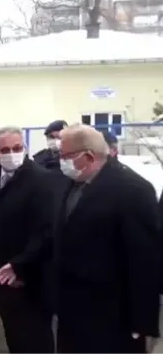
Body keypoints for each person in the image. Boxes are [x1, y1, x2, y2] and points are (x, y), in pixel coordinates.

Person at [54, 124, 159, 354]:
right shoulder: (73, 182)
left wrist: (142, 323)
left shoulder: (133, 190)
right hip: (74, 310)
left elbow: (145, 261)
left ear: (89, 156)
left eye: (65, 156)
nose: (61, 162)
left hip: (112, 317)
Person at [0, 126, 55, 354]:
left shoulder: (42, 180)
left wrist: (21, 265)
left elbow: (45, 231)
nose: (11, 154)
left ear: (25, 148)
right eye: (5, 149)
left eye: (17, 148)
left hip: (29, 278)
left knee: (35, 339)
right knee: (14, 336)